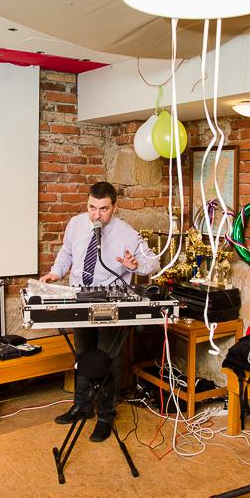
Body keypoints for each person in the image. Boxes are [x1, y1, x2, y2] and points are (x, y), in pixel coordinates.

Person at [40, 181, 159, 442]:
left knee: (107, 358)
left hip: (110, 302)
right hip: (81, 298)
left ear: (114, 207)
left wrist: (136, 265)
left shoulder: (127, 233)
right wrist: (56, 272)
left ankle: (106, 415)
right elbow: (67, 253)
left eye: (103, 209)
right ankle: (82, 406)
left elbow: (153, 262)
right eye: (92, 207)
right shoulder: (76, 224)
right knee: (83, 354)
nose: (96, 214)